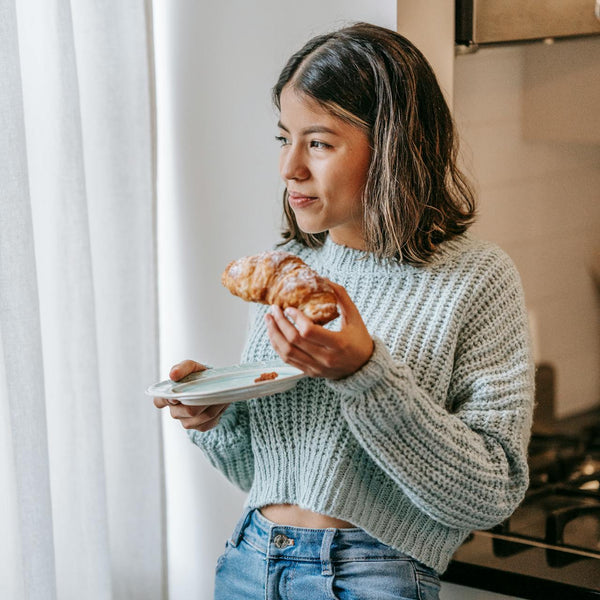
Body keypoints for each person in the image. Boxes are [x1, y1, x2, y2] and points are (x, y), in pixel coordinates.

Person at [154, 22, 534, 600]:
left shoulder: (476, 278)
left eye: (320, 143)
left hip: (367, 576)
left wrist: (364, 375)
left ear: (392, 148)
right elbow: (265, 473)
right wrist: (214, 419)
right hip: (250, 561)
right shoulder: (290, 270)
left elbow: (491, 493)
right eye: (285, 139)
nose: (290, 169)